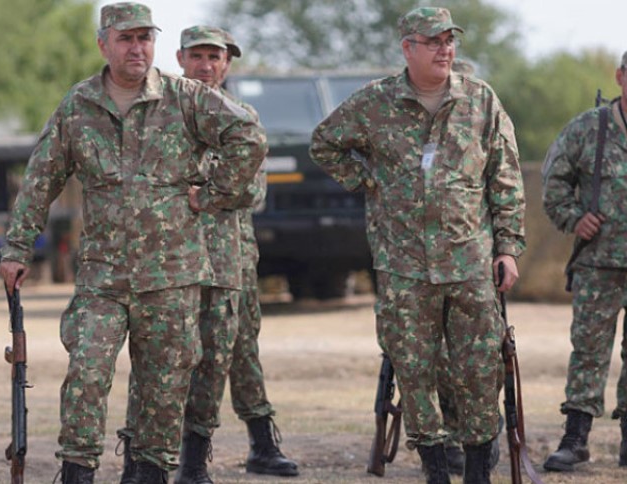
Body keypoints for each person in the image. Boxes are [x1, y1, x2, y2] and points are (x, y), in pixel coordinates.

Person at [0, 3, 267, 483]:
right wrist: (17, 248)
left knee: (162, 390)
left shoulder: (185, 98)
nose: (137, 47)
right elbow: (40, 179)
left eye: (145, 37)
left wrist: (214, 195)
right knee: (86, 373)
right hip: (103, 276)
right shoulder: (78, 106)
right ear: (104, 45)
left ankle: (148, 474)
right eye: (126, 38)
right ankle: (76, 471)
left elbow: (248, 137)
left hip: (173, 277)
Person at [309, 7, 525, 484]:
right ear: (408, 47)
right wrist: (370, 180)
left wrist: (507, 247)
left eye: (450, 41)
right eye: (434, 41)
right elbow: (324, 143)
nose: (446, 49)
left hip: (469, 263)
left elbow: (505, 178)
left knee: (478, 370)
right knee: (415, 371)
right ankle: (435, 469)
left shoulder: (480, 101)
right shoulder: (375, 103)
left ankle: (476, 471)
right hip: (403, 264)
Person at [116, 26, 296, 484]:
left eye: (215, 56)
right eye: (197, 56)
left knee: (227, 354)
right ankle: (139, 458)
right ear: (180, 58)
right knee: (159, 358)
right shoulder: (159, 110)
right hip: (168, 259)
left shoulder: (242, 117)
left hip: (228, 260)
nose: (206, 65)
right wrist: (200, 187)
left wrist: (204, 191)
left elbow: (252, 190)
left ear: (228, 63)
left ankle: (200, 461)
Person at [541, 50, 627, 472]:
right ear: (620, 77)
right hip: (598, 263)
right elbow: (552, 183)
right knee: (589, 352)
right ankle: (576, 439)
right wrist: (575, 218)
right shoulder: (588, 128)